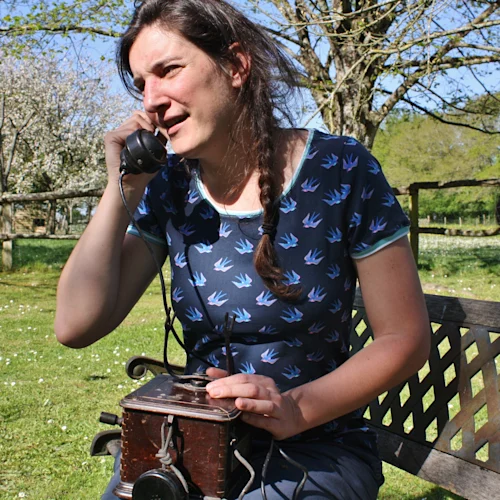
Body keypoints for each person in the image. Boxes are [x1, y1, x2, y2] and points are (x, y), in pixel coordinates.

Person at [54, 0, 430, 498]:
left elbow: (404, 338)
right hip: (193, 445)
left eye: (168, 70)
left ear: (235, 65)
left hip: (314, 446)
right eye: (142, 83)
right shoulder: (168, 187)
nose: (151, 100)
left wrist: (295, 408)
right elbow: (75, 325)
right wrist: (121, 189)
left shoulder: (340, 170)